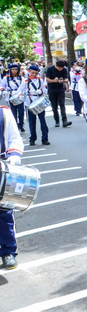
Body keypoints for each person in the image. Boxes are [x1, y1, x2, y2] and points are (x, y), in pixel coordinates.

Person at [0, 102, 24, 269]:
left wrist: (13, 157)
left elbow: (14, 138)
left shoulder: (4, 113)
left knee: (4, 211)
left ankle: (8, 251)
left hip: (1, 166)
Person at [21, 65, 49, 147]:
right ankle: (32, 139)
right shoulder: (25, 81)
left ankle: (45, 139)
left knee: (43, 121)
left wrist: (41, 92)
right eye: (32, 73)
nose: (34, 75)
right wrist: (23, 95)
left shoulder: (40, 80)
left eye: (36, 73)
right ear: (29, 72)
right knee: (32, 123)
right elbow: (21, 91)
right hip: (29, 104)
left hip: (39, 103)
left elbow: (44, 90)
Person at [45, 59, 72, 128]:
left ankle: (65, 121)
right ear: (55, 65)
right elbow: (47, 79)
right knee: (54, 106)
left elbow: (66, 79)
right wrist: (54, 80)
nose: (60, 69)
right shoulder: (50, 69)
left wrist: (62, 81)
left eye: (61, 68)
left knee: (62, 105)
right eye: (59, 68)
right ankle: (57, 121)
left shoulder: (64, 70)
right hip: (52, 89)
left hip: (60, 89)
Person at [1, 64, 25, 133]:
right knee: (13, 112)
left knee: (21, 112)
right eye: (13, 69)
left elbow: (23, 87)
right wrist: (5, 91)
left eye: (16, 69)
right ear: (10, 70)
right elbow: (2, 86)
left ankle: (21, 125)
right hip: (11, 96)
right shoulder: (6, 78)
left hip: (19, 96)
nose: (14, 71)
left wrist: (19, 92)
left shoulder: (21, 78)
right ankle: (15, 126)